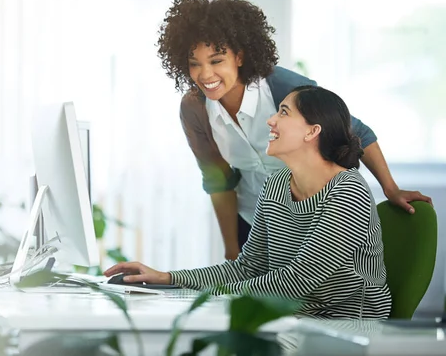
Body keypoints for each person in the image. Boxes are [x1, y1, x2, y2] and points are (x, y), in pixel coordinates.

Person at [156, 0, 432, 260]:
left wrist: (390, 189)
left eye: (217, 60)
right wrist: (232, 250)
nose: (205, 74)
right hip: (254, 222)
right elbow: (218, 181)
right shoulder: (194, 109)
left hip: (317, 216)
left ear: (239, 56)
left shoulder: (284, 89)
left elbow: (359, 133)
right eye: (195, 64)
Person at [105, 86, 392, 319]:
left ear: (311, 131)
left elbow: (300, 280)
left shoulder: (348, 190)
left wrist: (211, 296)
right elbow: (247, 268)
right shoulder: (276, 184)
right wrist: (167, 278)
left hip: (346, 325)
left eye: (283, 112)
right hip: (289, 317)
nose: (271, 120)